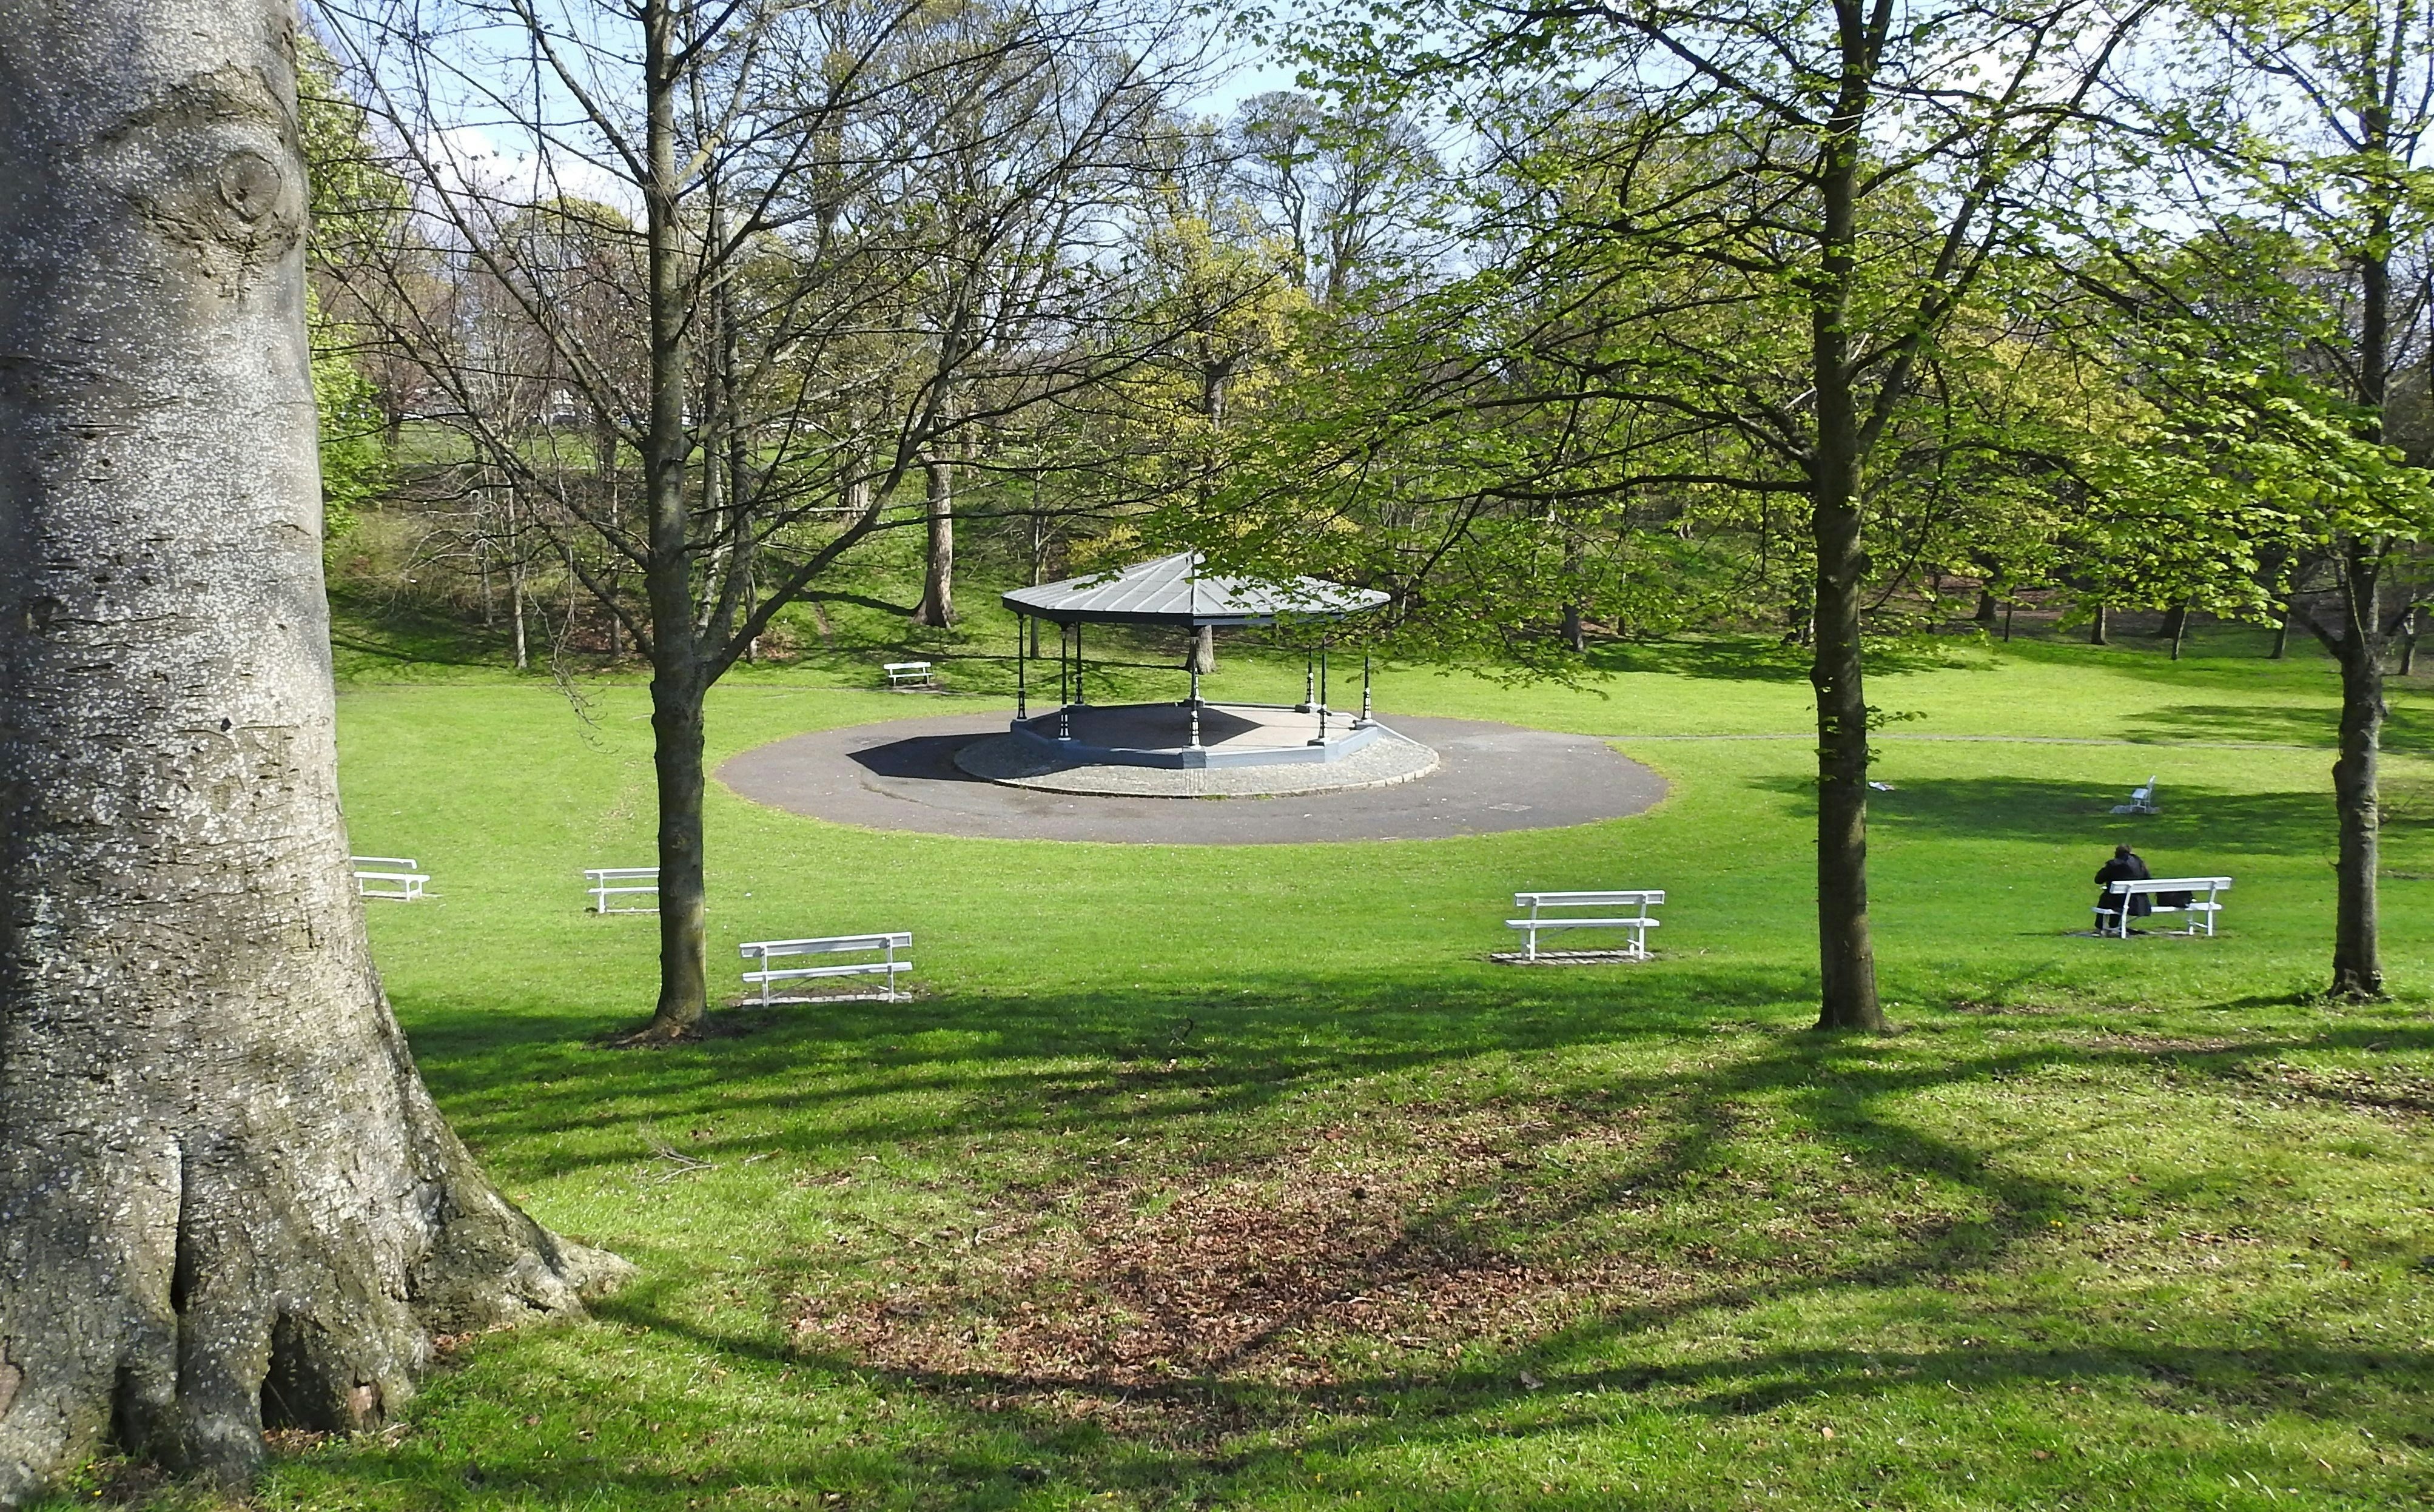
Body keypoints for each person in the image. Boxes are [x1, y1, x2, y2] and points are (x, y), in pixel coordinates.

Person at [2094, 844, 2151, 933]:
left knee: (2107, 898)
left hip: (2120, 902)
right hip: (2139, 902)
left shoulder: (2114, 864)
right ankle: (2113, 925)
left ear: (2117, 853)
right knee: (2114, 896)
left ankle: (2101, 926)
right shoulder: (2140, 864)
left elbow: (2098, 880)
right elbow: (2148, 879)